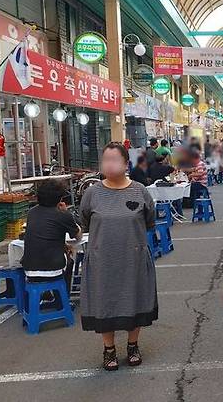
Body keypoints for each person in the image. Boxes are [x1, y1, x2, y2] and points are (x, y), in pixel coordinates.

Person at [79, 142, 158, 371]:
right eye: (106, 159)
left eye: (115, 159)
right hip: (102, 260)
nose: (110, 164)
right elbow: (85, 221)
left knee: (136, 299)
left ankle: (133, 345)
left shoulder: (140, 190)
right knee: (106, 303)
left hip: (134, 259)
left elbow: (149, 220)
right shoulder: (92, 193)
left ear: (126, 164)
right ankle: (109, 349)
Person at [20, 180, 81, 305]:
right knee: (69, 262)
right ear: (59, 198)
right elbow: (78, 237)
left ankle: (47, 294)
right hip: (52, 269)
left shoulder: (32, 212)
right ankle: (63, 300)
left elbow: (46, 236)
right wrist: (67, 214)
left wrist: (63, 245)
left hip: (29, 269)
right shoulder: (62, 215)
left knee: (59, 254)